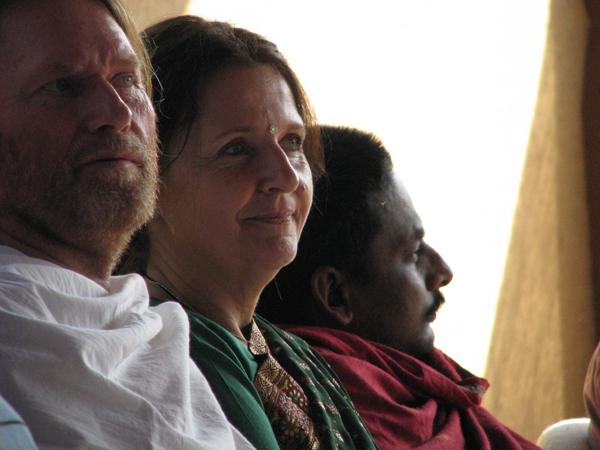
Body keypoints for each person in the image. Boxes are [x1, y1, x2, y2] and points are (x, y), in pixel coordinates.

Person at [117, 16, 378, 450]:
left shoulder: (285, 352)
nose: (286, 177)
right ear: (149, 180)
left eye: (292, 142)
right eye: (236, 149)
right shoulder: (165, 349)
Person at [0, 1, 253, 448]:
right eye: (63, 86)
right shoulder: (13, 325)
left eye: (128, 80)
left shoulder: (150, 324)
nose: (118, 113)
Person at [258, 125, 542, 450]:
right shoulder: (318, 418)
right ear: (336, 296)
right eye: (413, 253)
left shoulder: (417, 394)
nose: (443, 272)